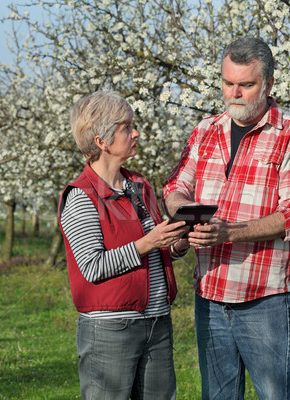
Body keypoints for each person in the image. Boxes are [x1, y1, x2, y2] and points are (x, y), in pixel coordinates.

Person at [163, 37, 290, 400]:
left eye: (246, 85)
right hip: (210, 294)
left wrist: (228, 232)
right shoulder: (205, 130)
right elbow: (175, 184)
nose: (234, 92)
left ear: (268, 84)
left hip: (264, 298)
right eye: (227, 82)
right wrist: (185, 214)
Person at [58, 91, 190, 399]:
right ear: (101, 140)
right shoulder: (81, 197)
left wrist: (176, 245)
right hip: (110, 329)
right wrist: (146, 243)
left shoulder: (139, 186)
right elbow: (92, 267)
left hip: (157, 322)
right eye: (126, 127)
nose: (136, 133)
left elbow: (155, 249)